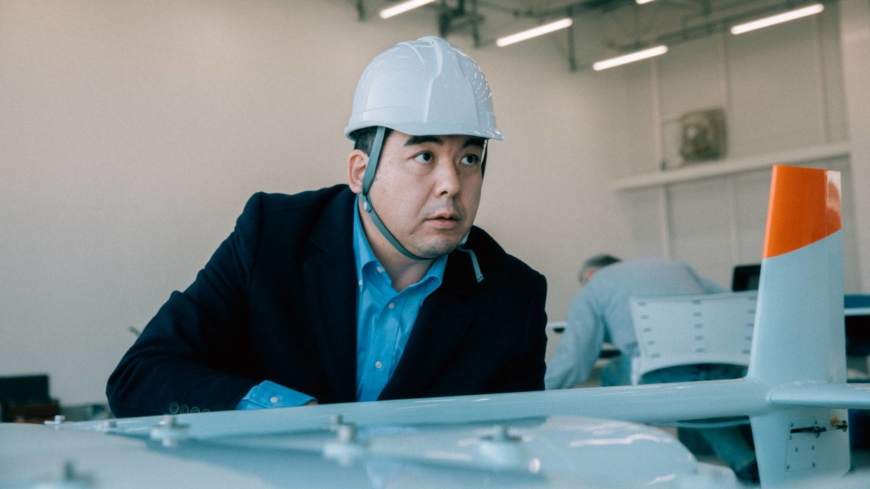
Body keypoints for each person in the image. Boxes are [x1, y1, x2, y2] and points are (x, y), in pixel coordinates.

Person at [106, 37, 548, 418]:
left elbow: (515, 453)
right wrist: (289, 415)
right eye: (425, 156)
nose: (452, 184)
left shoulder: (513, 298)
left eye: (469, 159)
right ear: (361, 172)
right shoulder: (272, 237)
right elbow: (141, 376)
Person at [545, 255, 757, 482]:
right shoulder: (675, 266)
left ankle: (626, 462)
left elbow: (574, 359)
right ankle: (745, 462)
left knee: (612, 372)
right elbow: (731, 303)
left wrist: (537, 393)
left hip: (664, 378)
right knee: (693, 388)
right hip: (725, 370)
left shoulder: (594, 287)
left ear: (589, 276)